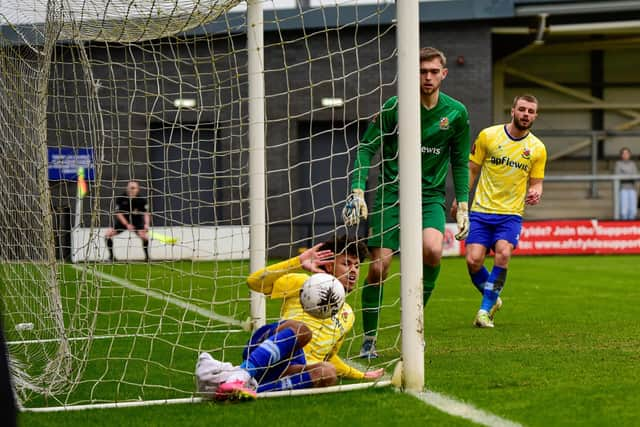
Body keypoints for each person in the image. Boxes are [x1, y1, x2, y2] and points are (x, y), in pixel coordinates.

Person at [342, 46, 471, 358]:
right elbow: (365, 149)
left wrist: (464, 203)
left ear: (444, 73)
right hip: (391, 194)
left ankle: (414, 327)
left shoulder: (456, 113)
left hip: (429, 197)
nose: (427, 77)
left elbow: (460, 161)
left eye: (433, 71)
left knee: (432, 249)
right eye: (421, 71)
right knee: (380, 267)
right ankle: (369, 340)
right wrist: (357, 190)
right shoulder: (394, 107)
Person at [196, 236, 384, 400]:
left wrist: (359, 374)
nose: (353, 271)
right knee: (302, 330)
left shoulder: (348, 315)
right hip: (268, 347)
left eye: (357, 265)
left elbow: (329, 356)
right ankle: (240, 375)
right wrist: (297, 262)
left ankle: (249, 389)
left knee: (327, 373)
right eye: (347, 263)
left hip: (293, 369)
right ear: (328, 263)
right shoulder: (303, 282)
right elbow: (254, 282)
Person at [453, 94, 547, 328]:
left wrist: (536, 191)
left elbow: (536, 181)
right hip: (482, 210)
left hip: (511, 214)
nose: (526, 114)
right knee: (473, 261)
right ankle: (493, 298)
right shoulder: (488, 135)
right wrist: (461, 199)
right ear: (512, 110)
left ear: (535, 116)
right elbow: (471, 170)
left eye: (531, 111)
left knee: (504, 253)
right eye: (522, 109)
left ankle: (484, 311)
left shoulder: (537, 148)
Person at [104, 180, 150, 261]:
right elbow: (118, 213)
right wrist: (127, 224)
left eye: (133, 188)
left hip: (137, 222)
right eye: (129, 188)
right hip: (123, 222)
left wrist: (146, 224)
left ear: (137, 189)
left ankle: (147, 257)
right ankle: (112, 257)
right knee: (108, 234)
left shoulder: (142, 200)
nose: (131, 190)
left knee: (145, 237)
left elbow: (146, 213)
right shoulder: (121, 198)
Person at [614, 147, 638, 220]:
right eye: (623, 153)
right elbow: (618, 175)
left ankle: (632, 228)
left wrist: (625, 174)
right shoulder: (618, 164)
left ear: (629, 154)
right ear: (621, 155)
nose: (625, 155)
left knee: (633, 211)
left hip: (632, 189)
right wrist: (629, 176)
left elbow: (635, 175)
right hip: (623, 189)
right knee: (623, 211)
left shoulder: (633, 164)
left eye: (627, 153)